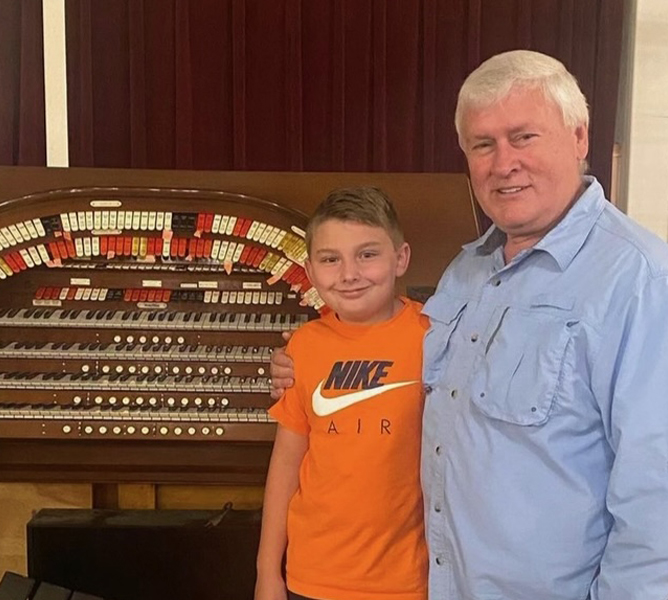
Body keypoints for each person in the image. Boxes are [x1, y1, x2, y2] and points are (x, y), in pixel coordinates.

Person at [270, 50, 668, 599]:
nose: (503, 163)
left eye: (523, 136)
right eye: (483, 144)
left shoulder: (642, 281)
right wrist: (304, 361)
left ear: (579, 137)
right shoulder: (467, 270)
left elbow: (658, 505)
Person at [256, 187, 428, 600]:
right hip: (312, 577)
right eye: (331, 259)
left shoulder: (433, 335)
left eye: (367, 254)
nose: (349, 273)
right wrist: (267, 572)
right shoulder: (304, 346)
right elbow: (285, 466)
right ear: (311, 272)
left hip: (406, 580)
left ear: (400, 258)